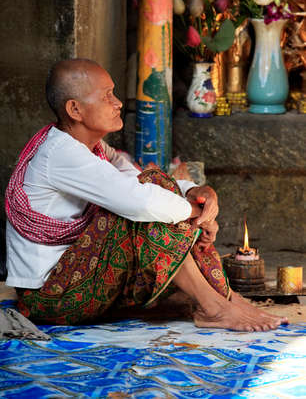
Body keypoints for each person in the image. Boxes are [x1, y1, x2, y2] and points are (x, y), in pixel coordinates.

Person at [5, 58, 287, 331]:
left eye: (114, 93)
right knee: (146, 203)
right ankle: (214, 305)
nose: (117, 103)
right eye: (107, 96)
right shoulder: (61, 154)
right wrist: (195, 211)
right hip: (49, 298)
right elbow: (139, 200)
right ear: (75, 109)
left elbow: (134, 181)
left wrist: (197, 193)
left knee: (156, 193)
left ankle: (222, 298)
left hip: (78, 280)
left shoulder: (94, 149)